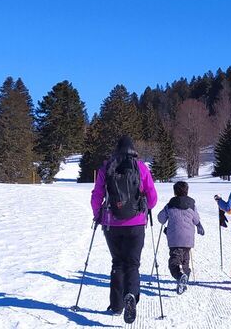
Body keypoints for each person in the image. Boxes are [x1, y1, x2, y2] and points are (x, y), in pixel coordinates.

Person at [91, 136, 158, 324]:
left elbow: (96, 196)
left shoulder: (107, 167)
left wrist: (98, 215)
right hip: (136, 223)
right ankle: (131, 296)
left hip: (112, 224)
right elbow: (152, 198)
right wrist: (144, 206)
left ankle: (116, 305)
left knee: (117, 263)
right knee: (133, 263)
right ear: (133, 149)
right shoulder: (141, 167)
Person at [157, 181, 205, 294]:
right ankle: (184, 279)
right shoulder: (192, 204)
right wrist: (198, 225)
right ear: (187, 191)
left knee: (173, 262)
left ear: (175, 192)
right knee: (185, 261)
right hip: (188, 240)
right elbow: (196, 219)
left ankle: (180, 277)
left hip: (174, 240)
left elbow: (161, 219)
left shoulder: (170, 205)